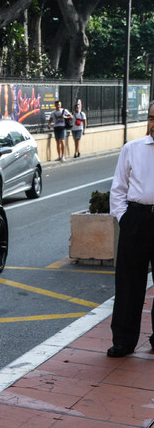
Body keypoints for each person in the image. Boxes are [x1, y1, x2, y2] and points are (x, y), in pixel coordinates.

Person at [107, 100, 154, 358]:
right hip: (136, 220)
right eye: (151, 117)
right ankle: (123, 342)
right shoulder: (132, 149)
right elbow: (118, 189)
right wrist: (124, 219)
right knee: (128, 284)